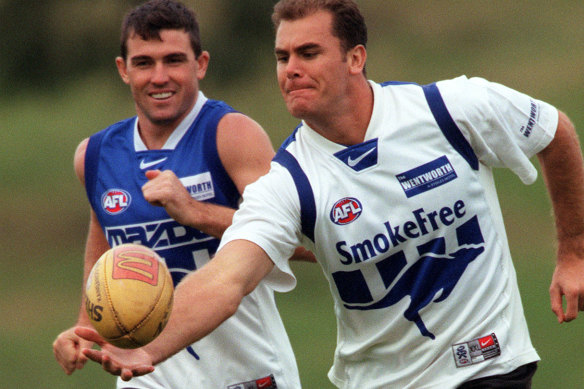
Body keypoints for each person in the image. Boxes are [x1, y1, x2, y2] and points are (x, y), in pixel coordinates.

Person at [76, 0, 584, 387]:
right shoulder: (288, 182)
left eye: (308, 52)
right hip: (381, 379)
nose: (290, 67)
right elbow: (226, 279)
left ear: (355, 57)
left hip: (490, 363)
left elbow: (554, 131)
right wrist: (150, 349)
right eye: (282, 55)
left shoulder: (448, 109)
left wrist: (574, 252)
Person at [52, 1, 308, 388]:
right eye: (143, 63)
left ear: (200, 64)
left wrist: (196, 211)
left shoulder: (231, 134)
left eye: (173, 60)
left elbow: (304, 239)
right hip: (142, 375)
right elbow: (104, 239)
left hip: (243, 376)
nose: (159, 77)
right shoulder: (95, 155)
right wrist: (85, 326)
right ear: (123, 69)